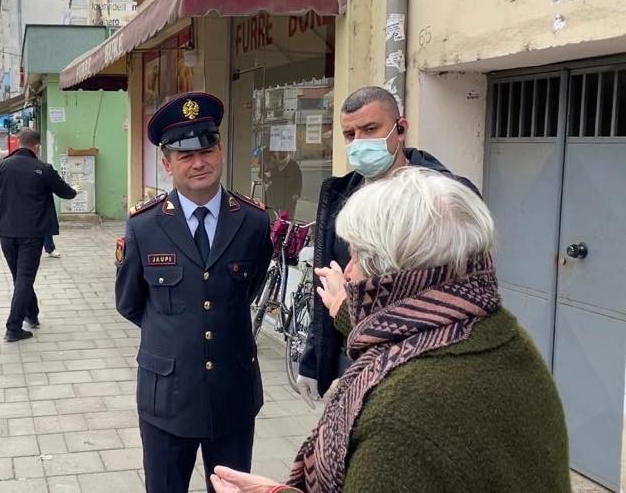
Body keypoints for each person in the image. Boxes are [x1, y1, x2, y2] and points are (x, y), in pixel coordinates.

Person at [211, 168, 571, 493]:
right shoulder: (500, 337)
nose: (347, 272)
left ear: (395, 276)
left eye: (357, 257)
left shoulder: (401, 418)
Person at [115, 92, 273, 493]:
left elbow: (248, 289)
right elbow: (130, 303)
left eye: (206, 150)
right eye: (185, 155)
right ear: (167, 164)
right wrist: (177, 329)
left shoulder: (253, 221)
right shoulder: (144, 226)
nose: (198, 162)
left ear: (220, 151)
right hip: (166, 398)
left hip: (233, 395)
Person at [296, 86, 478, 406]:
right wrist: (314, 360)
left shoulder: (444, 197)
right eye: (350, 134)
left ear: (400, 129)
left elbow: (460, 292)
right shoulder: (338, 194)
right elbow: (327, 285)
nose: (359, 142)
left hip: (417, 363)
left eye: (370, 129)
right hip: (350, 358)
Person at [0, 128, 76, 342]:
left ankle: (32, 315)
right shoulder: (43, 169)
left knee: (20, 277)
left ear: (19, 144)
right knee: (24, 278)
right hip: (33, 234)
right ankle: (13, 327)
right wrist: (75, 190)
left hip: (6, 233)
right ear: (37, 146)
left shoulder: (0, 167)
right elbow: (66, 193)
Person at [264, 150, 302, 218]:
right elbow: (263, 174)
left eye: (283, 151)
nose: (280, 153)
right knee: (272, 217)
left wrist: (296, 193)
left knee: (287, 218)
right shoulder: (273, 163)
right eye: (279, 151)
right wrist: (267, 178)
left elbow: (298, 180)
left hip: (288, 196)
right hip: (274, 195)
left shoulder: (293, 165)